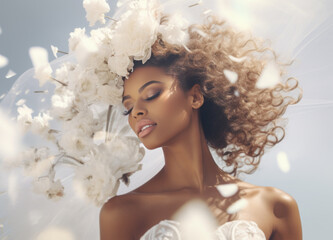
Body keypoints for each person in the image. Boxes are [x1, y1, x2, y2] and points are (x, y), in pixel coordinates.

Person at [99, 16, 303, 240]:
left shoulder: (275, 207)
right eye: (128, 108)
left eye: (152, 94)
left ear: (195, 96)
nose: (137, 111)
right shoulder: (121, 213)